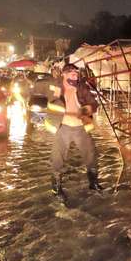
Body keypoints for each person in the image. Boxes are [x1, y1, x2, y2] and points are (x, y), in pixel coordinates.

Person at [45, 63, 103, 202]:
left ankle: (93, 183)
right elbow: (49, 101)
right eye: (72, 73)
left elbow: (94, 104)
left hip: (81, 127)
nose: (75, 76)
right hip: (62, 127)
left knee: (91, 154)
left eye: (76, 74)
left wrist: (86, 110)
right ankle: (56, 188)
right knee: (57, 158)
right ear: (64, 74)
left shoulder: (82, 87)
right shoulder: (56, 87)